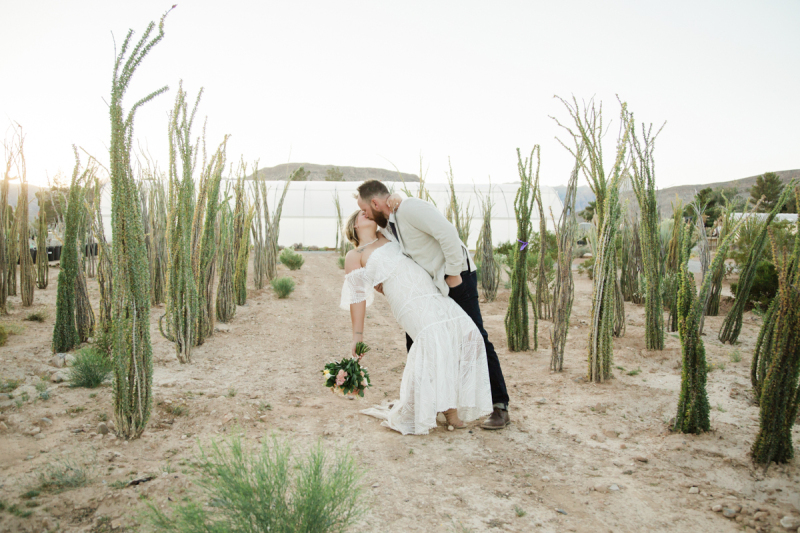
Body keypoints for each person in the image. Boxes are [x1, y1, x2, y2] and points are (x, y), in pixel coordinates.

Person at [356, 180, 511, 430]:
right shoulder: (389, 226)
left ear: (375, 203)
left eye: (364, 209)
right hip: (431, 289)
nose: (363, 214)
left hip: (456, 278)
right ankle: (432, 404)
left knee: (474, 336)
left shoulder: (409, 208)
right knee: (419, 341)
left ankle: (499, 406)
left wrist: (453, 273)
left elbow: (447, 233)